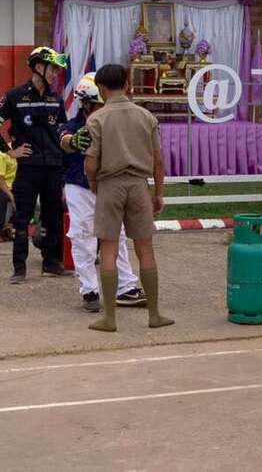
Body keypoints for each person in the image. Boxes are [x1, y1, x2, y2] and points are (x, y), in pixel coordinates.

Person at [84, 63, 173, 332]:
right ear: (127, 84)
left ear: (101, 88)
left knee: (108, 250)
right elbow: (158, 160)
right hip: (138, 186)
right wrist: (159, 193)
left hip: (109, 185)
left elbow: (91, 162)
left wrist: (93, 183)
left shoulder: (96, 119)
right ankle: (154, 314)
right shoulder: (146, 116)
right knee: (145, 249)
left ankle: (109, 319)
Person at [0, 46, 72, 284]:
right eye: (52, 68)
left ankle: (51, 264)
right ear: (38, 67)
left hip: (54, 167)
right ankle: (19, 269)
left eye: (57, 70)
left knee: (53, 217)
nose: (55, 73)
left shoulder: (56, 98)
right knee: (22, 218)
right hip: (28, 168)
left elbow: (62, 132)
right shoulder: (14, 96)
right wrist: (9, 151)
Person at [61, 72, 146, 313]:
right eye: (100, 105)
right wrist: (73, 142)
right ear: (86, 104)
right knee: (83, 237)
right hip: (80, 187)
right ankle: (89, 290)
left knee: (117, 236)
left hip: (110, 186)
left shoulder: (117, 124)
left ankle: (126, 288)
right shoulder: (74, 127)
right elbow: (64, 139)